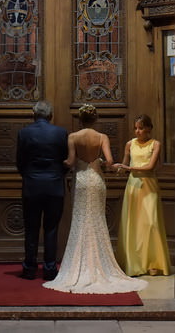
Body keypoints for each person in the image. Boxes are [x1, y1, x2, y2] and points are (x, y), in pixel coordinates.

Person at [43, 104, 146, 294]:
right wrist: (103, 163)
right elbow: (108, 161)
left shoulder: (73, 137)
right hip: (97, 181)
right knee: (97, 220)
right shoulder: (102, 137)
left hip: (81, 181)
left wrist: (54, 162)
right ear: (95, 119)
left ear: (80, 120)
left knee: (80, 221)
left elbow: (71, 162)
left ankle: (80, 264)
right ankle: (100, 264)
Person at [113, 113, 172, 277]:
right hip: (133, 187)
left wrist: (129, 169)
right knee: (134, 224)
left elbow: (150, 166)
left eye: (141, 128)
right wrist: (117, 168)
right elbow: (124, 164)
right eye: (136, 128)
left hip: (149, 186)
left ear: (149, 129)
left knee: (151, 223)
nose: (137, 131)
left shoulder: (155, 144)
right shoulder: (129, 144)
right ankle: (134, 262)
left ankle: (154, 262)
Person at [16, 100, 68, 280]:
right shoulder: (61, 133)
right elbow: (66, 160)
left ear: (34, 114)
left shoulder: (24, 133)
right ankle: (50, 269)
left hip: (32, 185)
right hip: (54, 185)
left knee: (31, 228)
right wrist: (57, 174)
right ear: (50, 115)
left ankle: (30, 268)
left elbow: (19, 162)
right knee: (51, 228)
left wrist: (29, 175)